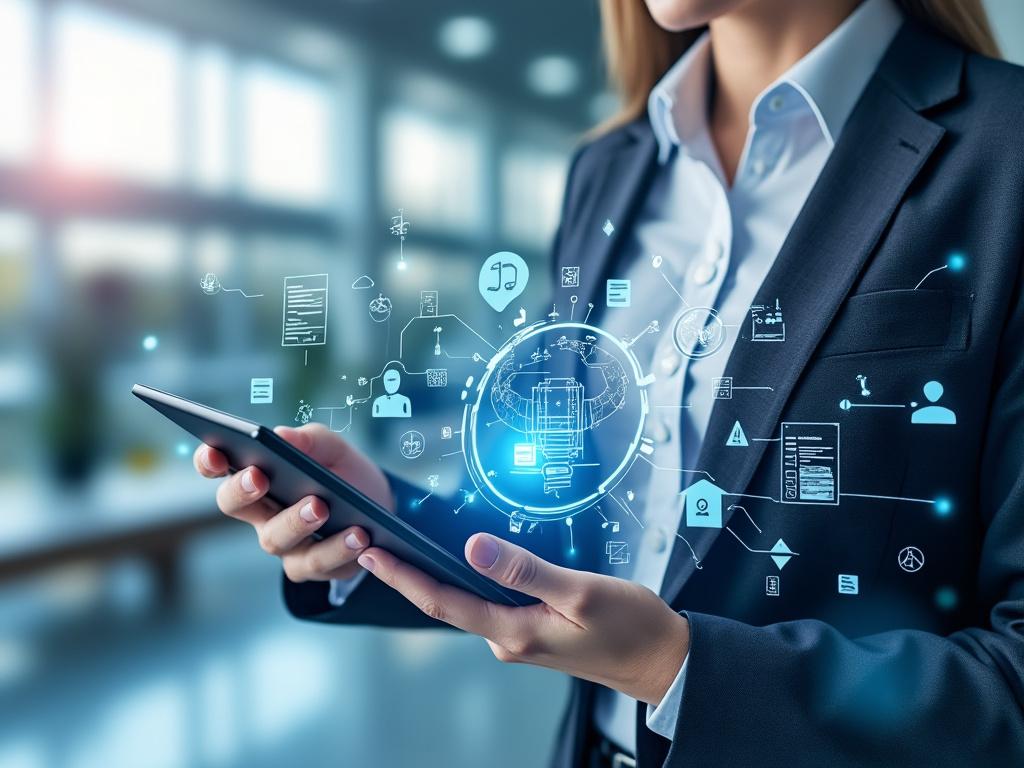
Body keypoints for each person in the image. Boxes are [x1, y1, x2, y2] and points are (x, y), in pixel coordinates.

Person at [193, 0, 1024, 764]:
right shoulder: (610, 168)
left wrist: (676, 667)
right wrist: (381, 514)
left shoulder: (1005, 151)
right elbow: (577, 530)